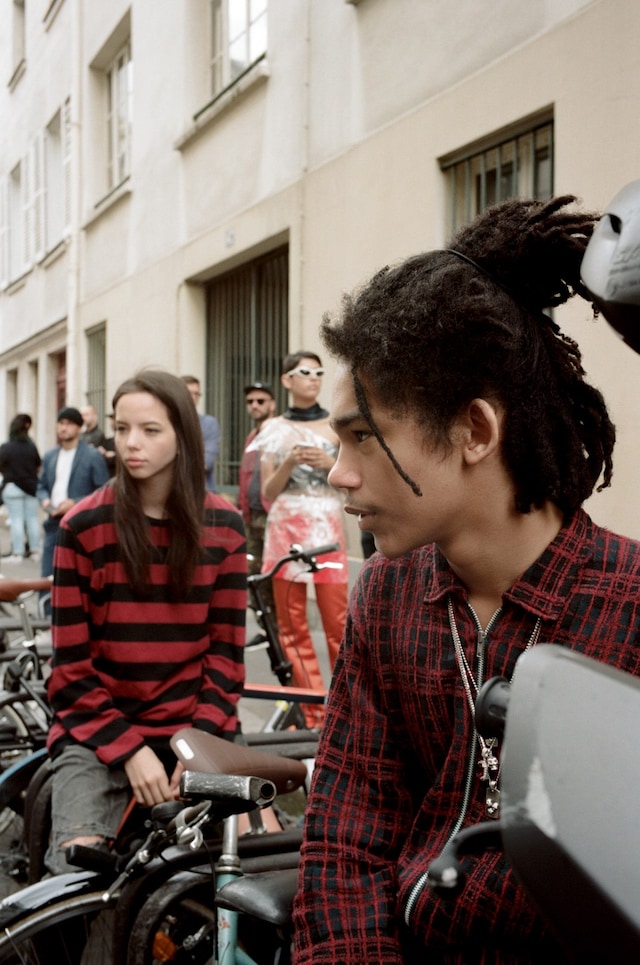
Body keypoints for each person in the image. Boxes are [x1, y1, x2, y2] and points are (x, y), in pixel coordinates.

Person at [293, 195, 640, 963]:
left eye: (362, 438)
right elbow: (344, 847)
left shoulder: (629, 603)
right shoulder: (387, 594)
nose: (340, 475)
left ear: (475, 431)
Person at [45, 369, 246, 875]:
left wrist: (196, 744)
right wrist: (130, 751)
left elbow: (226, 659)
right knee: (76, 875)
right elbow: (71, 668)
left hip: (199, 733)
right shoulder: (83, 527)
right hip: (97, 737)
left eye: (150, 430)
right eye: (121, 429)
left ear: (183, 436)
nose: (131, 444)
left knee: (248, 875)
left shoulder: (224, 528)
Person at [253, 352, 348, 728]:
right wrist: (290, 463)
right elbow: (267, 492)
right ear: (287, 380)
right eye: (304, 372)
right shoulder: (273, 428)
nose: (314, 378)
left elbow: (354, 479)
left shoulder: (337, 424)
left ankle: (346, 710)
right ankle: (312, 713)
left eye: (319, 372)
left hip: (327, 528)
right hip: (285, 531)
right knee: (291, 626)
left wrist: (330, 465)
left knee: (338, 621)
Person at [36, 407, 110, 583]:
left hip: (81, 522)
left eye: (69, 424)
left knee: (77, 575)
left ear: (78, 428)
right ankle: (45, 610)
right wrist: (45, 500)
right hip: (53, 522)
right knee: (48, 574)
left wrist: (75, 503)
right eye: (61, 423)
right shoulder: (50, 455)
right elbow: (41, 485)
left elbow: (103, 491)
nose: (64, 428)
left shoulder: (92, 456)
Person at [238, 381, 276, 600]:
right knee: (253, 575)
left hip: (273, 517)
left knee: (273, 575)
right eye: (250, 402)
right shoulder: (251, 436)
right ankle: (266, 629)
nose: (254, 405)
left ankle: (278, 632)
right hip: (251, 518)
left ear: (272, 404)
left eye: (260, 401)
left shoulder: (281, 432)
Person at [0, 413, 42, 563]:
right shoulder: (31, 447)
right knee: (32, 519)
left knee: (16, 519)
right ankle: (34, 550)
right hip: (31, 488)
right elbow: (38, 466)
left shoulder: (7, 447)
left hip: (12, 488)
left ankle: (17, 553)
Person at [181, 375, 220, 491]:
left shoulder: (208, 424)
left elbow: (205, 463)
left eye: (196, 394)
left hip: (202, 492)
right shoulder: (168, 423)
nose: (193, 398)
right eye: (188, 393)